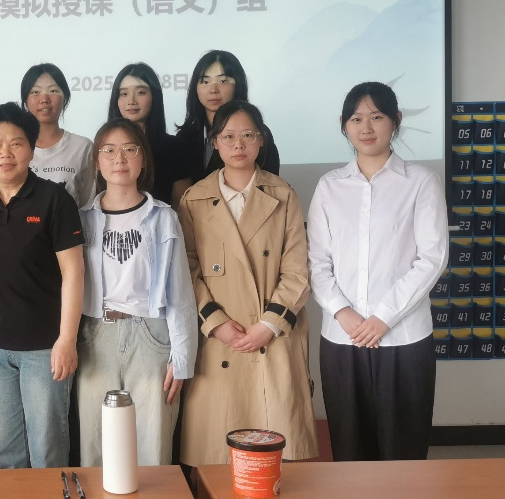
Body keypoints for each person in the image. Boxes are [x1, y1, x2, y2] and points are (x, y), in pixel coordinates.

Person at [307, 82, 448, 461]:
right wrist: (344, 313)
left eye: (376, 117)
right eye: (356, 119)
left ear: (395, 121)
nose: (366, 128)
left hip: (404, 338)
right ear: (344, 124)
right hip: (342, 339)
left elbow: (432, 258)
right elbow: (317, 261)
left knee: (403, 450)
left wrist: (383, 317)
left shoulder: (421, 182)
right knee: (350, 449)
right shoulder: (329, 187)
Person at [177, 100, 317, 464]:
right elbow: (186, 270)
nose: (238, 144)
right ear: (215, 142)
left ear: (261, 140)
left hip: (272, 336)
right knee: (217, 458)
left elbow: (297, 270)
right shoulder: (194, 199)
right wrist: (216, 323)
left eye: (248, 135)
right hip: (218, 338)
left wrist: (267, 325)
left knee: (275, 457)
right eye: (228, 136)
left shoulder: (283, 195)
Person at [0, 102, 84, 469]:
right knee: (6, 451)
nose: (5, 154)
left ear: (31, 148)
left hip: (44, 348)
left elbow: (74, 273)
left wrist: (67, 340)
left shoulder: (55, 200)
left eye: (16, 143)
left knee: (47, 450)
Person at [76, 118, 197, 467]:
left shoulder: (162, 217)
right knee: (95, 445)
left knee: (152, 445)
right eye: (109, 150)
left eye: (130, 149)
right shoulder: (82, 219)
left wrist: (182, 357)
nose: (120, 158)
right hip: (96, 335)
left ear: (143, 159)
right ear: (97, 162)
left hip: (151, 336)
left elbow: (180, 291)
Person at [172, 51, 280, 197]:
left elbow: (269, 188)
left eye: (223, 81)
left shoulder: (257, 134)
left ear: (238, 85)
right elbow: (181, 198)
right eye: (205, 82)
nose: (213, 90)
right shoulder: (185, 137)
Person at [106, 62, 191, 204]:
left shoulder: (176, 148)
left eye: (141, 92)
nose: (131, 101)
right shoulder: (106, 148)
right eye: (124, 94)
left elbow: (181, 208)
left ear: (154, 97)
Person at [22, 63, 95, 206]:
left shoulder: (82, 147)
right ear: (25, 100)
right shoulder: (14, 147)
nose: (44, 99)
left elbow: (87, 205)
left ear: (65, 98)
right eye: (35, 92)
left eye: (53, 91)